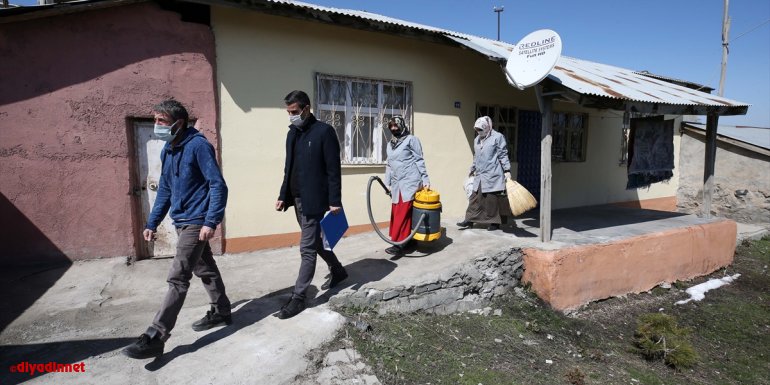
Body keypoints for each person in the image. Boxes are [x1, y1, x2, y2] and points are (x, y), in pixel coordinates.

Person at [123, 100, 231, 359]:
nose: (156, 126)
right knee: (205, 267)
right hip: (181, 220)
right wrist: (152, 222)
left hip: (197, 221)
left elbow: (218, 186)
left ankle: (156, 335)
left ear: (178, 123)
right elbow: (166, 190)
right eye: (155, 120)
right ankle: (222, 311)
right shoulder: (169, 150)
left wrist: (210, 221)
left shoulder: (198, 146)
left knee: (178, 277)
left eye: (161, 121)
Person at [275, 90, 348, 319]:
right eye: (288, 112)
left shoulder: (324, 132)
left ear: (306, 108)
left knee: (306, 248)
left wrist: (334, 200)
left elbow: (333, 169)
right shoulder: (292, 133)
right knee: (315, 241)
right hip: (297, 199)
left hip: (315, 199)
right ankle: (337, 269)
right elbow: (290, 168)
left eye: (294, 112)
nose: (291, 116)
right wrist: (282, 194)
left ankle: (299, 298)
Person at [383, 115, 430, 256]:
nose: (393, 129)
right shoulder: (390, 144)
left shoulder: (412, 140)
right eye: (391, 127)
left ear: (402, 125)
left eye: (396, 126)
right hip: (397, 184)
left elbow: (419, 160)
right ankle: (410, 241)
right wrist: (388, 183)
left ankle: (399, 245)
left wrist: (425, 179)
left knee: (402, 213)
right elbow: (389, 165)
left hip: (410, 181)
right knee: (399, 211)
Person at [457, 116, 511, 231]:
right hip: (480, 175)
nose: (478, 132)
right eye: (477, 129)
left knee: (491, 200)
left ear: (487, 127)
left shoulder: (497, 137)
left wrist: (507, 170)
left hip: (493, 174)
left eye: (480, 129)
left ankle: (494, 223)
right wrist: (472, 168)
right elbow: (476, 156)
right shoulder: (477, 139)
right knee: (474, 197)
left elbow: (503, 154)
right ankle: (469, 220)